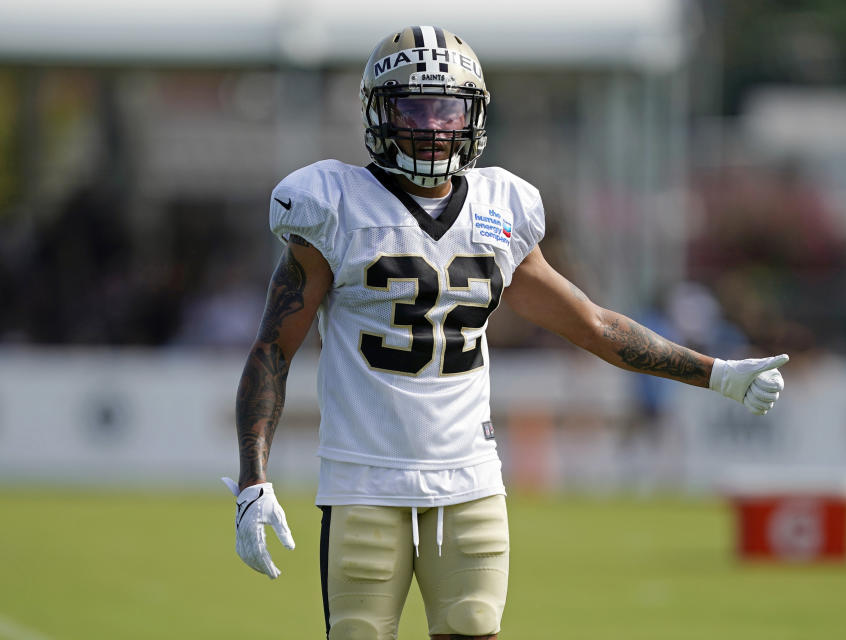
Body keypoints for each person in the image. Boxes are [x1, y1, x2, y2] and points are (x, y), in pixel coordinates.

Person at [223, 25, 789, 640]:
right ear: (379, 111)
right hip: (362, 481)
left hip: (470, 483)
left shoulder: (502, 208)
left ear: (475, 116)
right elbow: (274, 349)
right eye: (415, 106)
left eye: (449, 108)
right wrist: (253, 480)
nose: (434, 126)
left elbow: (595, 325)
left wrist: (717, 373)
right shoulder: (333, 203)